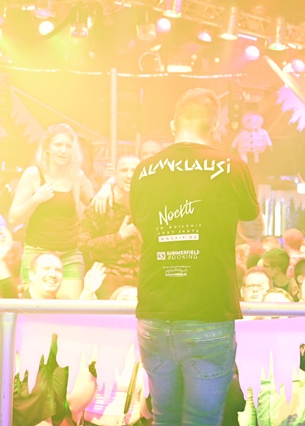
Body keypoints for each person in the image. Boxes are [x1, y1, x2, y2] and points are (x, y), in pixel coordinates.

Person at [131, 88, 262, 425]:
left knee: (164, 417)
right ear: (214, 128)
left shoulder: (144, 171)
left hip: (155, 311)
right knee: (202, 420)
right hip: (208, 313)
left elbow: (144, 231)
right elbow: (253, 229)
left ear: (173, 124)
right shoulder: (233, 167)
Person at [9, 123, 94, 299]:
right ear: (47, 148)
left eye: (68, 146)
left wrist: (109, 185)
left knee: (68, 310)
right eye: (58, 145)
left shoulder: (76, 176)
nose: (63, 150)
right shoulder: (33, 174)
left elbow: (96, 207)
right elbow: (13, 218)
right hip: (38, 254)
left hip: (69, 254)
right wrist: (36, 199)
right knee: (35, 310)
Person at [78, 155, 142, 299]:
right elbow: (83, 246)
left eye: (134, 170)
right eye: (124, 170)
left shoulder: (149, 205)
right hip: (109, 277)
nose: (129, 175)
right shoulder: (100, 205)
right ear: (115, 175)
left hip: (143, 277)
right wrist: (119, 237)